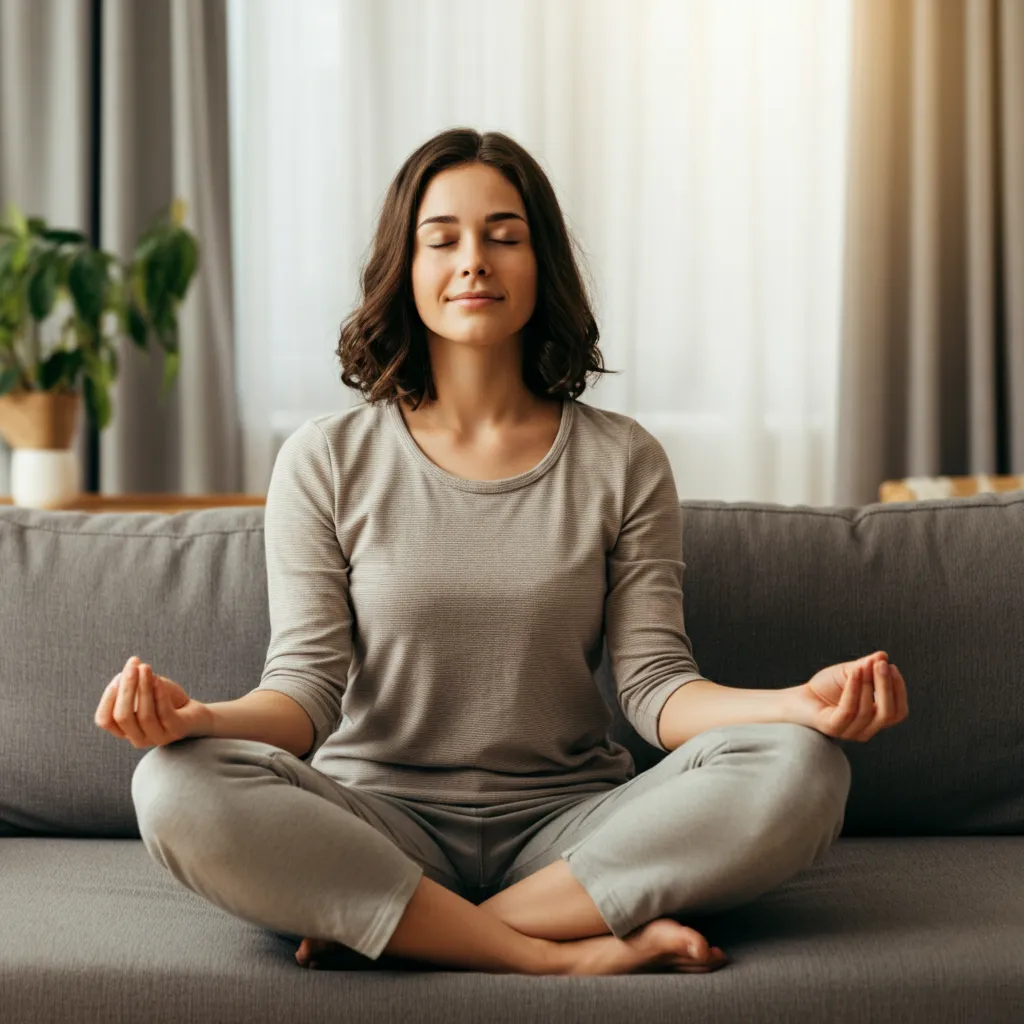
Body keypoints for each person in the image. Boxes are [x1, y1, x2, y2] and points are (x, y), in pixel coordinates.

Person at [95, 128, 909, 977]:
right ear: (403, 273)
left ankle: (410, 925)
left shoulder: (623, 459)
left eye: (504, 237)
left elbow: (657, 688)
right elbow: (303, 695)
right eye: (442, 239)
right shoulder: (326, 458)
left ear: (540, 263)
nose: (474, 261)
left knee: (803, 766)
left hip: (571, 830)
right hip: (377, 823)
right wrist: (197, 723)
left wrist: (797, 706)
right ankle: (554, 953)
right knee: (173, 782)